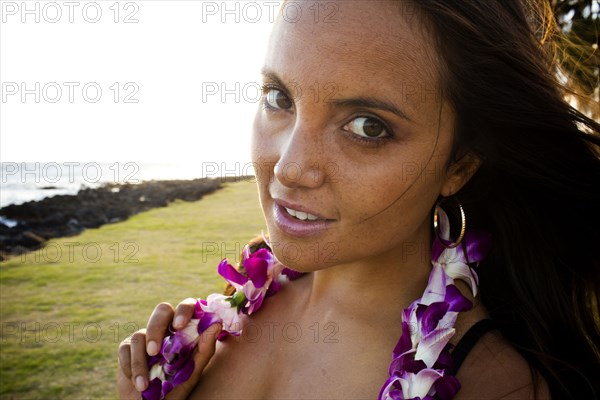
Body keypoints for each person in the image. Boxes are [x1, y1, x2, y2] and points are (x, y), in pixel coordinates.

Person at [117, 1, 600, 399]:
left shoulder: (496, 387)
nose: (289, 167)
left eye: (368, 127)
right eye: (279, 98)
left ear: (460, 164)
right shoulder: (220, 324)